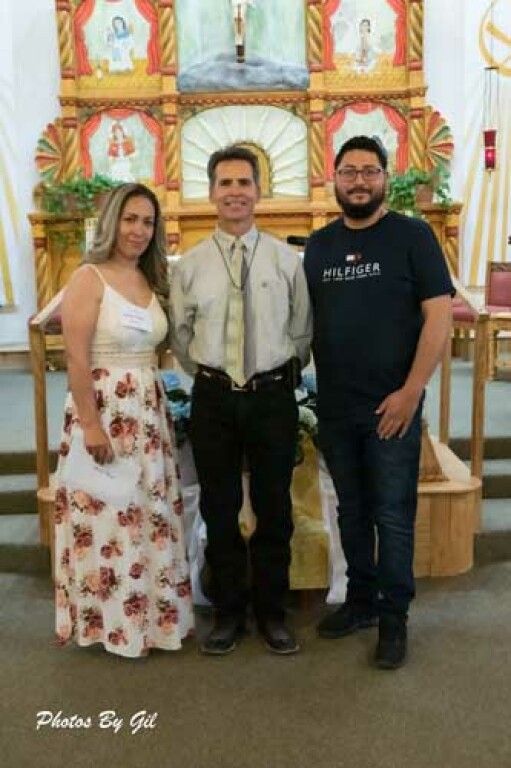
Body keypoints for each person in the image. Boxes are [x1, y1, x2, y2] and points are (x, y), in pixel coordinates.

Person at [304, 136, 453, 669]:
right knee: (351, 511)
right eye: (349, 172)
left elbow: (439, 316)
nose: (359, 181)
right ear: (335, 179)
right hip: (336, 407)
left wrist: (411, 391)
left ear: (386, 177)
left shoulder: (413, 237)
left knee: (391, 516)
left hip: (394, 406)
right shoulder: (319, 247)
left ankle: (394, 618)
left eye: (370, 171)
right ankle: (361, 602)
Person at [170, 144, 312, 655]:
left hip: (272, 397)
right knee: (220, 506)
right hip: (213, 400)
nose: (234, 192)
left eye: (243, 183)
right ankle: (229, 613)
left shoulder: (285, 260)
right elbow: (181, 339)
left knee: (275, 508)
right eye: (224, 183)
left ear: (258, 191)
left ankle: (272, 613)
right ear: (211, 192)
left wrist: (271, 374)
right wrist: (212, 376)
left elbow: (301, 332)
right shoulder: (189, 266)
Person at [54, 183, 194, 658]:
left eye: (148, 222)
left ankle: (151, 622)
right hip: (105, 410)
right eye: (131, 219)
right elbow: (75, 360)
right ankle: (110, 625)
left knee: (146, 514)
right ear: (113, 221)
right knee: (108, 515)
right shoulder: (88, 278)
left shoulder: (149, 280)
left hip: (147, 413)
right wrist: (91, 426)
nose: (139, 230)